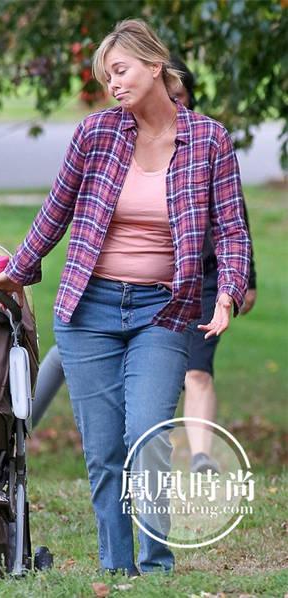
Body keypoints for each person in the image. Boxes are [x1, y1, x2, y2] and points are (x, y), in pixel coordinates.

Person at [0, 19, 251, 576]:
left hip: (164, 310)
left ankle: (155, 567)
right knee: (105, 449)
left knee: (147, 436)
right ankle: (116, 567)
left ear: (155, 67)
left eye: (121, 70)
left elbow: (231, 229)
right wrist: (18, 270)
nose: (112, 83)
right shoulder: (96, 133)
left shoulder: (209, 140)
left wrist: (227, 291)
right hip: (89, 310)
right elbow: (56, 210)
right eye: (107, 75)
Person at [168, 57, 258, 474]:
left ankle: (201, 455)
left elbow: (233, 218)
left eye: (180, 96)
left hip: (206, 277)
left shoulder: (209, 140)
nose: (174, 104)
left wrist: (245, 278)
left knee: (197, 370)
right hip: (153, 279)